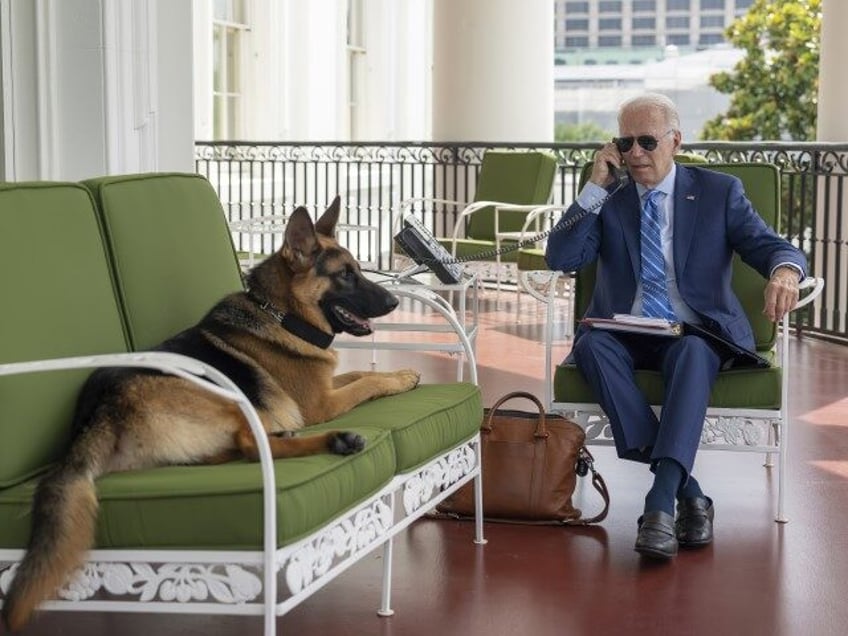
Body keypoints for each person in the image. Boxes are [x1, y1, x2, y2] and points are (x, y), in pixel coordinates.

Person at [544, 93, 806, 560]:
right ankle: (689, 495)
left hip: (693, 331)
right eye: (625, 143)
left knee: (693, 352)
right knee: (592, 347)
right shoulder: (610, 198)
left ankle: (659, 501)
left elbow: (768, 246)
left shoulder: (718, 191)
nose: (636, 153)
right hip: (622, 331)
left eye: (647, 141)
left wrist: (786, 270)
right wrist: (593, 186)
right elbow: (562, 257)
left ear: (676, 141)